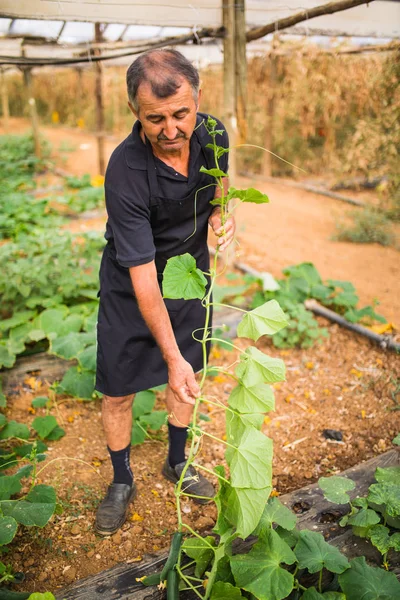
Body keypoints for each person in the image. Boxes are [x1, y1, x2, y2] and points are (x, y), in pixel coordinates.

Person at [94, 48, 235, 535]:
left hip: (189, 273)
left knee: (189, 373)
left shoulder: (213, 134)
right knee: (117, 388)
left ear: (197, 100)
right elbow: (142, 275)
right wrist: (169, 355)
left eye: (181, 114)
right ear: (136, 111)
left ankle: (177, 460)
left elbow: (219, 184)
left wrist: (219, 213)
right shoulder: (125, 170)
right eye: (156, 119)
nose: (171, 129)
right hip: (132, 284)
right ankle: (120, 479)